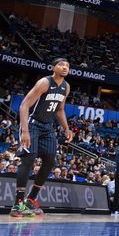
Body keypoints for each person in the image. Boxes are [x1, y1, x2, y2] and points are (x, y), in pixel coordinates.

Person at [10, 58, 73, 217]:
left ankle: (31, 200)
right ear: (53, 68)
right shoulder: (44, 83)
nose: (64, 67)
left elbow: (60, 110)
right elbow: (24, 105)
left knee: (50, 161)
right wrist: (25, 131)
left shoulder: (66, 87)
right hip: (32, 125)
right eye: (61, 65)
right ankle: (18, 204)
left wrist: (66, 128)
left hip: (48, 127)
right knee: (29, 160)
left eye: (67, 66)